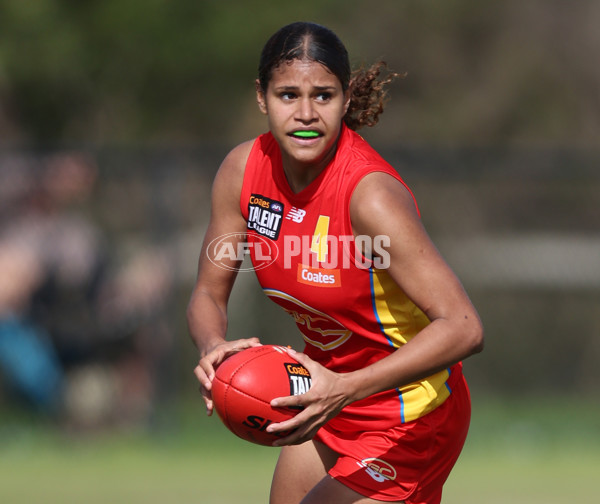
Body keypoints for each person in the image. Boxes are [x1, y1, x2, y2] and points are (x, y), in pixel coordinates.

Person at [188, 21, 484, 504]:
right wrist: (212, 346)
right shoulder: (242, 173)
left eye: (323, 96)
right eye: (287, 95)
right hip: (324, 399)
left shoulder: (369, 198)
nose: (305, 113)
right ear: (262, 98)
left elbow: (465, 326)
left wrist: (344, 389)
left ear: (345, 101)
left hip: (410, 414)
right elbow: (206, 293)